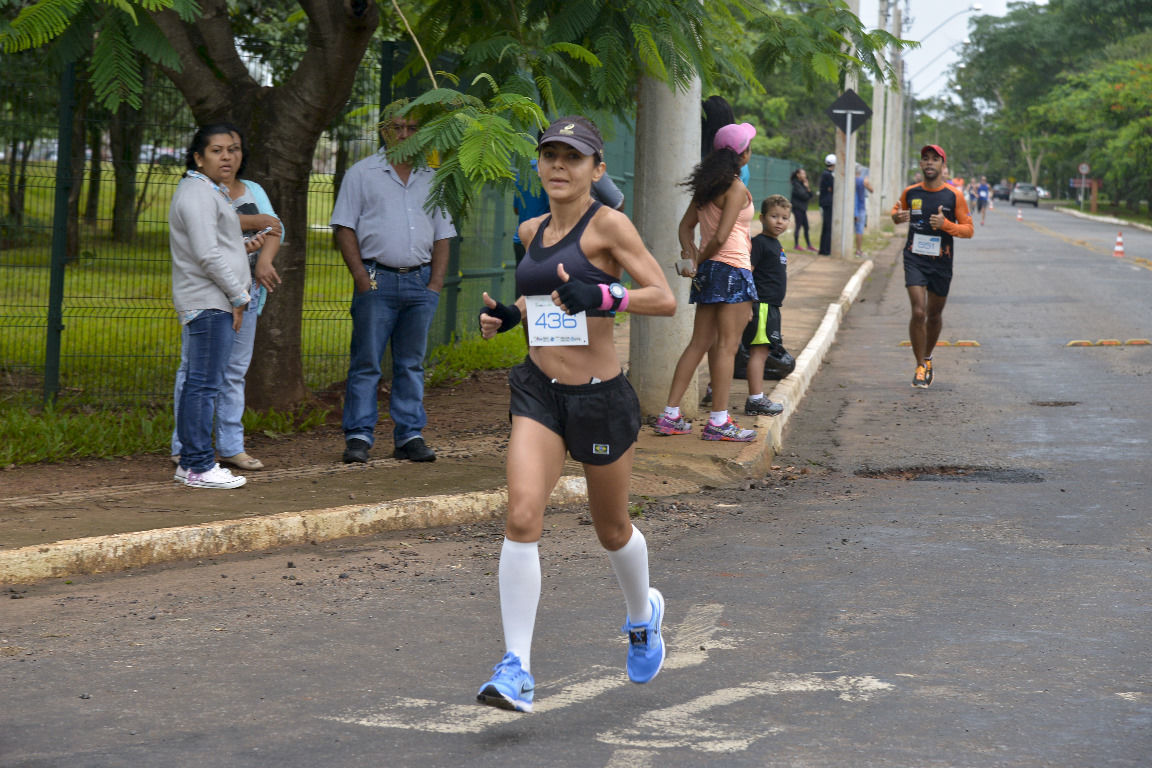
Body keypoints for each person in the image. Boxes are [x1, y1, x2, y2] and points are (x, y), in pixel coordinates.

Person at [475, 115, 676, 712]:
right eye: (550, 156)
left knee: (611, 529)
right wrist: (511, 318)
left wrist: (607, 295)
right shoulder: (530, 227)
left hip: (599, 397)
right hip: (539, 390)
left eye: (573, 157)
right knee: (521, 515)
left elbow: (663, 298)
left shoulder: (610, 227)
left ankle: (643, 616)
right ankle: (517, 668)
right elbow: (540, 296)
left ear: (596, 169)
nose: (559, 166)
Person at [332, 112, 456, 464]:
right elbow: (343, 227)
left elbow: (444, 234)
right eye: (396, 128)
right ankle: (358, 436)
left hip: (420, 283)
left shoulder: (433, 178)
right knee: (366, 362)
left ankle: (409, 435)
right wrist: (361, 277)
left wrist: (434, 285)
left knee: (411, 363)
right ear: (384, 132)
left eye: (412, 128)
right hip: (376, 280)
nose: (404, 134)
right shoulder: (361, 174)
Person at [170, 125, 282, 472]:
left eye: (233, 149)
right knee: (198, 377)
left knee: (229, 372)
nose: (227, 156)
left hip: (240, 297)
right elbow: (207, 252)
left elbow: (272, 228)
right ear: (198, 157)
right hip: (215, 299)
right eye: (217, 150)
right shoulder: (199, 193)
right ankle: (191, 455)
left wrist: (254, 254)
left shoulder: (217, 192)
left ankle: (225, 447)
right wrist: (238, 292)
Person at [655, 122, 759, 442]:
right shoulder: (735, 187)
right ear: (741, 155)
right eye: (749, 147)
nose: (750, 152)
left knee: (699, 343)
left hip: (711, 272)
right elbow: (723, 236)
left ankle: (670, 415)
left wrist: (693, 256)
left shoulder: (707, 187)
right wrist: (698, 258)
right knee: (727, 348)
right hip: (733, 270)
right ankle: (718, 421)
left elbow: (686, 227)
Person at [891, 144, 974, 388]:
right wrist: (897, 217)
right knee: (919, 311)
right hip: (914, 257)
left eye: (934, 160)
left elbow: (968, 230)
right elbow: (896, 212)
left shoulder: (954, 196)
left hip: (941, 261)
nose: (929, 163)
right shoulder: (911, 192)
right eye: (925, 159)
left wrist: (945, 224)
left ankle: (927, 358)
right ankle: (919, 366)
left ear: (942, 166)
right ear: (921, 165)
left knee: (934, 315)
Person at [743, 195, 790, 417]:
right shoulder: (760, 243)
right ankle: (755, 400)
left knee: (758, 351)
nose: (779, 222)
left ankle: (716, 388)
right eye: (774, 216)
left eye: (784, 218)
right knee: (759, 352)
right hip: (761, 306)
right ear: (762, 218)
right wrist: (749, 304)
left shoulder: (776, 244)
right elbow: (748, 273)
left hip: (771, 307)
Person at [789, 168, 814, 251]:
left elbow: (810, 195)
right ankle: (796, 245)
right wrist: (807, 189)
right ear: (798, 175)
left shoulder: (803, 184)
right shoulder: (796, 184)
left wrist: (807, 188)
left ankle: (809, 245)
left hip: (802, 209)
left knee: (806, 227)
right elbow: (805, 196)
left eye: (805, 173)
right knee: (798, 226)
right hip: (798, 209)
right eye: (802, 173)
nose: (804, 175)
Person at [854, 164, 874, 258]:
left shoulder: (851, 181)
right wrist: (867, 181)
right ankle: (858, 250)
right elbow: (872, 190)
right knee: (859, 230)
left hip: (852, 208)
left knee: (854, 230)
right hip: (860, 208)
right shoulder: (862, 181)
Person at [818, 153, 836, 255]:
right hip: (828, 204)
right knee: (828, 227)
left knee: (825, 227)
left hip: (825, 203)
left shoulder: (825, 174)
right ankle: (826, 250)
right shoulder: (828, 175)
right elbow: (832, 188)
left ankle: (823, 249)